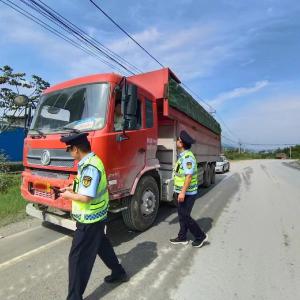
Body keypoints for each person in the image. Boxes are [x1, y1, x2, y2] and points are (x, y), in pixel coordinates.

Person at [60, 132, 128, 300]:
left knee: (77, 259)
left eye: (69, 149)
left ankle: (74, 297)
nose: (70, 153)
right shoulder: (90, 162)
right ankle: (119, 272)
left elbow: (86, 197)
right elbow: (84, 189)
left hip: (89, 219)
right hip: (96, 216)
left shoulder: (90, 167)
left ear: (76, 149)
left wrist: (68, 196)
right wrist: (71, 189)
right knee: (101, 245)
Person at [170, 130, 208, 248]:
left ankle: (200, 236)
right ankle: (182, 237)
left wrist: (182, 193)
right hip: (182, 192)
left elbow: (189, 176)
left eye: (178, 140)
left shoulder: (187, 158)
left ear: (181, 143)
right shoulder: (182, 156)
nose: (176, 141)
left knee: (185, 216)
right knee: (182, 215)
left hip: (187, 193)